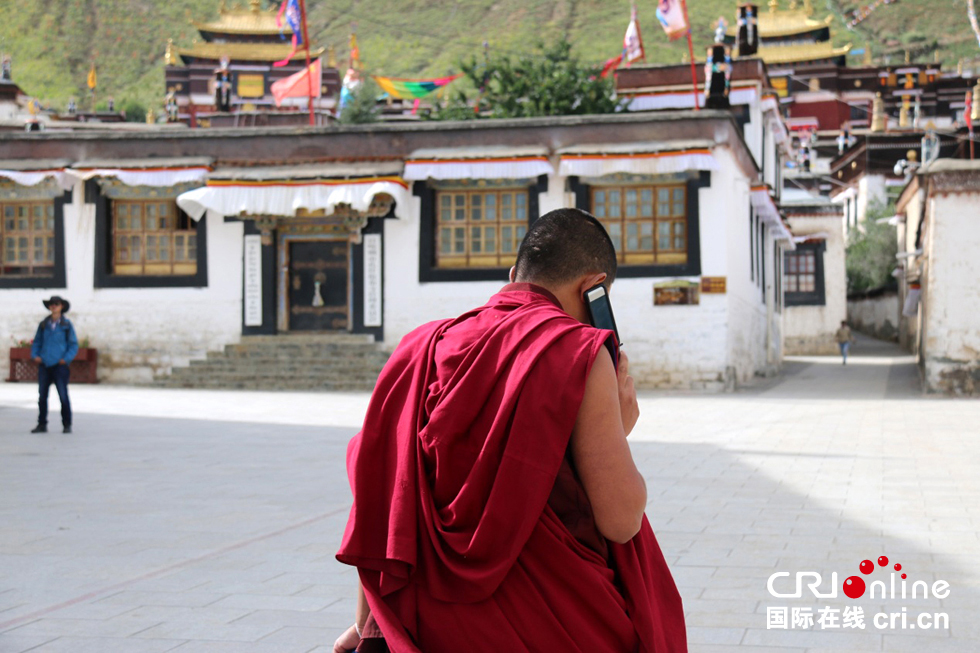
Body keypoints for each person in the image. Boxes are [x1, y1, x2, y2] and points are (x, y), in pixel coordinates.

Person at [334, 209, 686, 653]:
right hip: (547, 622)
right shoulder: (577, 348)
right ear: (593, 288)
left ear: (513, 275)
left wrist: (370, 620)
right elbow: (620, 521)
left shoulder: (422, 346)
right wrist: (620, 426)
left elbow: (387, 495)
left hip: (431, 623)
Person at [30, 296, 78, 433]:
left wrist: (66, 359)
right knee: (42, 396)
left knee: (63, 396)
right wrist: (35, 355)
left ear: (61, 306)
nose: (53, 306)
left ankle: (67, 424)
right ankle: (42, 423)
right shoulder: (44, 324)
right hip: (45, 364)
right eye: (51, 304)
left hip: (60, 365)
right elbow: (37, 341)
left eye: (56, 304)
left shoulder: (66, 325)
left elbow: (73, 345)